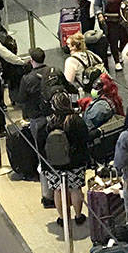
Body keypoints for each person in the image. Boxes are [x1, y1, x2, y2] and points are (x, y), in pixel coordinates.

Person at [41, 92, 91, 226]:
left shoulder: (48, 122)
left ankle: (63, 218)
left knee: (58, 190)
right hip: (75, 163)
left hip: (54, 165)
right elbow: (85, 139)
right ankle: (79, 216)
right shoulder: (75, 120)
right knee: (76, 189)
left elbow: (41, 144)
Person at [93, 0, 128, 71]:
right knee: (113, 41)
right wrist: (100, 14)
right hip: (109, 20)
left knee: (125, 38)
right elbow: (97, 5)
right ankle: (117, 62)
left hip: (122, 18)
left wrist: (126, 4)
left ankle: (119, 51)